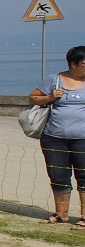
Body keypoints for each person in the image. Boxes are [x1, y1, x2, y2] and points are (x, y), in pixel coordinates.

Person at [29, 45, 85, 226]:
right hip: (54, 137)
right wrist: (50, 96)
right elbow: (33, 97)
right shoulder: (55, 79)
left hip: (82, 138)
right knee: (58, 175)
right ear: (73, 64)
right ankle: (61, 214)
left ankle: (84, 217)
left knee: (84, 176)